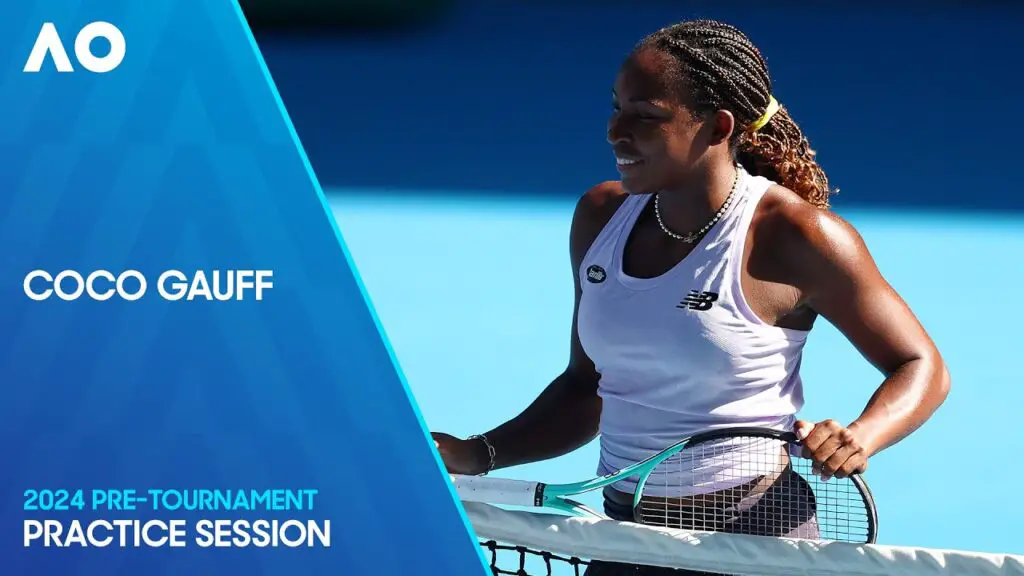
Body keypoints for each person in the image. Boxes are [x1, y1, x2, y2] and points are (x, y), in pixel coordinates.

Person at [432, 18, 951, 575]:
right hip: (621, 542)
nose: (615, 131)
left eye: (645, 117)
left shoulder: (795, 237)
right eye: (615, 107)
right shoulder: (600, 218)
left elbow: (921, 365)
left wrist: (860, 436)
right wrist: (476, 454)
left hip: (754, 543)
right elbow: (587, 389)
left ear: (717, 126)